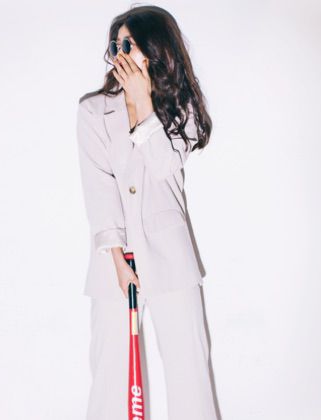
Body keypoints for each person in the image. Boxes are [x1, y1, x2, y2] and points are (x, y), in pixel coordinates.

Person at [76, 5, 220, 420]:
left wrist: (142, 102)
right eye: (116, 45)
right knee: (110, 374)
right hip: (113, 262)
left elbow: (162, 167)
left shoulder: (181, 108)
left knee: (189, 370)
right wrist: (117, 259)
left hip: (171, 256)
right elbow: (99, 190)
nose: (120, 53)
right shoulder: (92, 111)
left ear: (155, 50)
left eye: (130, 44)